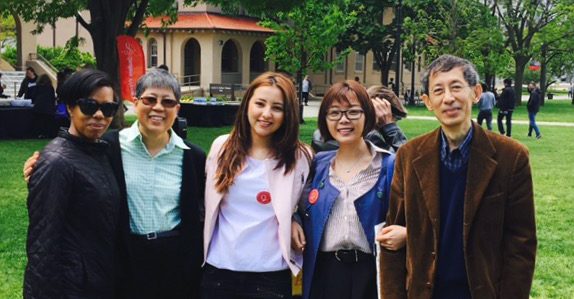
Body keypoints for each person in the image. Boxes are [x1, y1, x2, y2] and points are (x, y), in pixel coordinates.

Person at [24, 69, 206, 298]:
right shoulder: (107, 147)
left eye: (168, 102)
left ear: (177, 109)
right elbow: (74, 164)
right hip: (123, 260)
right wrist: (40, 168)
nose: (158, 108)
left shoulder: (195, 158)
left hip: (175, 264)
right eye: (150, 99)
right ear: (136, 103)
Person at [379, 54, 537, 298]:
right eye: (438, 91)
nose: (448, 98)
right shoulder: (410, 156)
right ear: (427, 101)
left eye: (456, 87)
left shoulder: (511, 157)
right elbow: (392, 237)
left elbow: (521, 245)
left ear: (476, 93)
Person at [202, 71, 312, 298]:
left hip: (270, 275)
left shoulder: (300, 156)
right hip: (220, 271)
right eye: (260, 104)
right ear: (247, 105)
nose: (266, 114)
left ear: (287, 114)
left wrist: (294, 219)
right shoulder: (221, 148)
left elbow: (307, 205)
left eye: (277, 108)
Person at [292, 80, 405, 299]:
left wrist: (408, 235)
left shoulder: (389, 165)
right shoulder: (318, 165)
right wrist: (294, 220)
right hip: (326, 273)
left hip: (372, 273)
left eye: (353, 112)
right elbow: (297, 204)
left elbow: (418, 216)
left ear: (367, 116)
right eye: (334, 113)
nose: (344, 120)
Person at [24, 69, 122, 298]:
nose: (99, 115)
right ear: (69, 107)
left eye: (108, 108)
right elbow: (42, 247)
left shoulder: (99, 151)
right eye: (89, 106)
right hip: (71, 288)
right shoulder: (57, 161)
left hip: (98, 281)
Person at [312, 85, 408, 153]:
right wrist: (390, 126)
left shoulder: (319, 135)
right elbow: (407, 162)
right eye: (394, 118)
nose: (394, 121)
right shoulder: (371, 138)